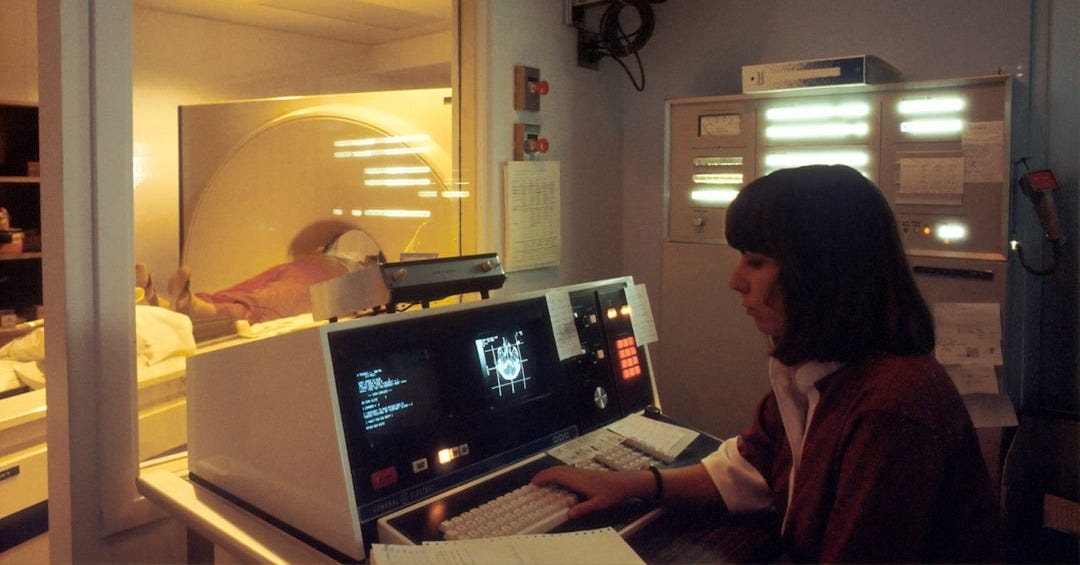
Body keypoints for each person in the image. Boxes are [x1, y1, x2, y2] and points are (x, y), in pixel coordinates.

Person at [531, 165, 1002, 562]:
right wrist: (630, 484)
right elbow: (752, 469)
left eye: (756, 262)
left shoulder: (892, 407)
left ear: (822, 270)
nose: (736, 282)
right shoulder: (816, 369)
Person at [161, 225, 385, 324]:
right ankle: (186, 304)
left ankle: (191, 306)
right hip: (311, 269)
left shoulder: (367, 276)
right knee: (257, 293)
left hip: (316, 275)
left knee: (267, 299)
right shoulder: (354, 262)